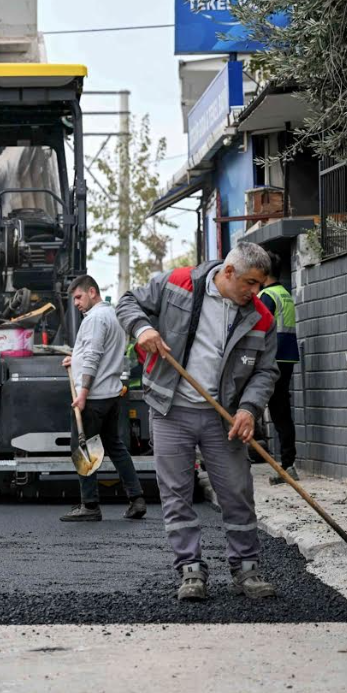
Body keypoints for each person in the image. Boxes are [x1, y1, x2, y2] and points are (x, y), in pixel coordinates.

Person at [117, 243, 279, 602]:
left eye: (260, 284)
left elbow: (266, 370)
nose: (255, 292)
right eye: (250, 283)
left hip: (225, 417)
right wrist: (142, 328)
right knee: (176, 493)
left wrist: (249, 409)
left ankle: (247, 569)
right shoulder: (177, 284)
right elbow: (127, 302)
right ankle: (190, 570)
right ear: (228, 272)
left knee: (237, 492)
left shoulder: (260, 317)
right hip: (171, 409)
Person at [59, 275, 146, 522]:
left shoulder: (95, 319)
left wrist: (83, 394)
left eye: (78, 297)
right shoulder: (113, 315)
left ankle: (90, 505)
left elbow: (94, 356)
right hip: (111, 394)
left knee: (82, 447)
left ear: (92, 292)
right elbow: (97, 352)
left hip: (93, 397)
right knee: (116, 446)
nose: (76, 303)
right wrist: (74, 359)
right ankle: (137, 498)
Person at [258, 252, 300, 484]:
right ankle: (288, 463)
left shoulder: (266, 296)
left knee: (276, 411)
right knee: (282, 411)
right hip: (287, 358)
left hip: (272, 360)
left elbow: (259, 329)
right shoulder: (285, 293)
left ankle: (286, 465)